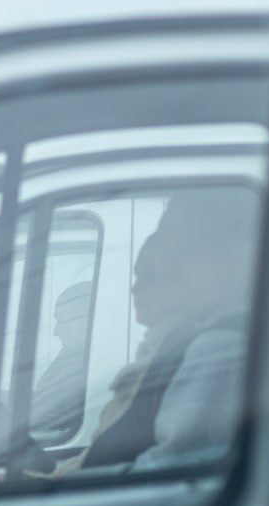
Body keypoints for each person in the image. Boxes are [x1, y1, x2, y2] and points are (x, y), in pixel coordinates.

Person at [73, 187, 259, 471]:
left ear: (239, 254)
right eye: (165, 242)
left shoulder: (220, 348)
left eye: (185, 241)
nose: (164, 262)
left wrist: (63, 489)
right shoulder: (195, 342)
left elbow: (174, 474)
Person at [30, 280, 92, 439]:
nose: (56, 332)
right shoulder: (84, 358)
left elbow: (39, 416)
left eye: (61, 320)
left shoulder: (76, 362)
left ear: (83, 319)